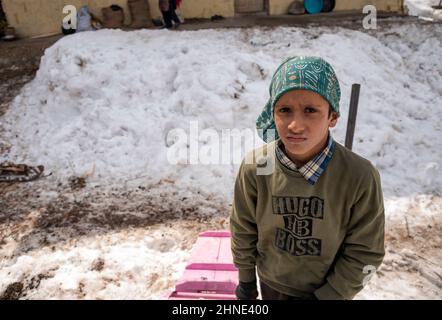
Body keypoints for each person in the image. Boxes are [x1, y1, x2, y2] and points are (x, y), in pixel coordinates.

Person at [230, 56, 385, 300]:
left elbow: (366, 252)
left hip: (327, 291)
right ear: (273, 113)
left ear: (332, 117)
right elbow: (243, 229)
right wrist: (246, 281)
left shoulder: (359, 177)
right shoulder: (255, 168)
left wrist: (329, 295)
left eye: (310, 110)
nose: (295, 125)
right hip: (271, 284)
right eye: (285, 110)